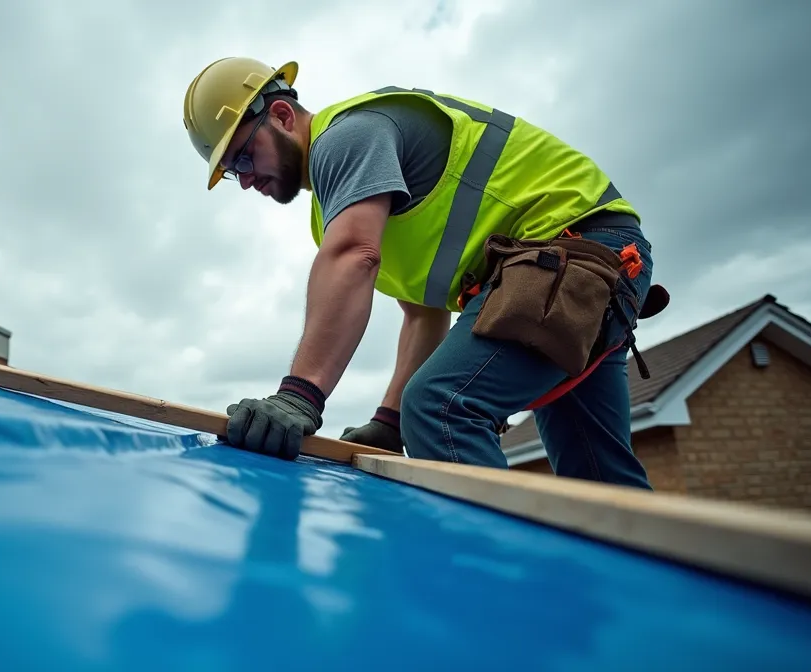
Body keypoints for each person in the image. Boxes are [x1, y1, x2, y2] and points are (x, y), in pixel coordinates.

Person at [181, 57, 670, 489]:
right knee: (601, 482)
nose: (244, 179)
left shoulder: (346, 137)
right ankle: (647, 593)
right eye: (230, 171)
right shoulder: (351, 200)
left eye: (243, 155)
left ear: (283, 116)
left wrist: (300, 396)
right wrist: (391, 420)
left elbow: (354, 256)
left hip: (577, 257)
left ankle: (496, 583)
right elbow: (422, 315)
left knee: (442, 406)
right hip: (577, 275)